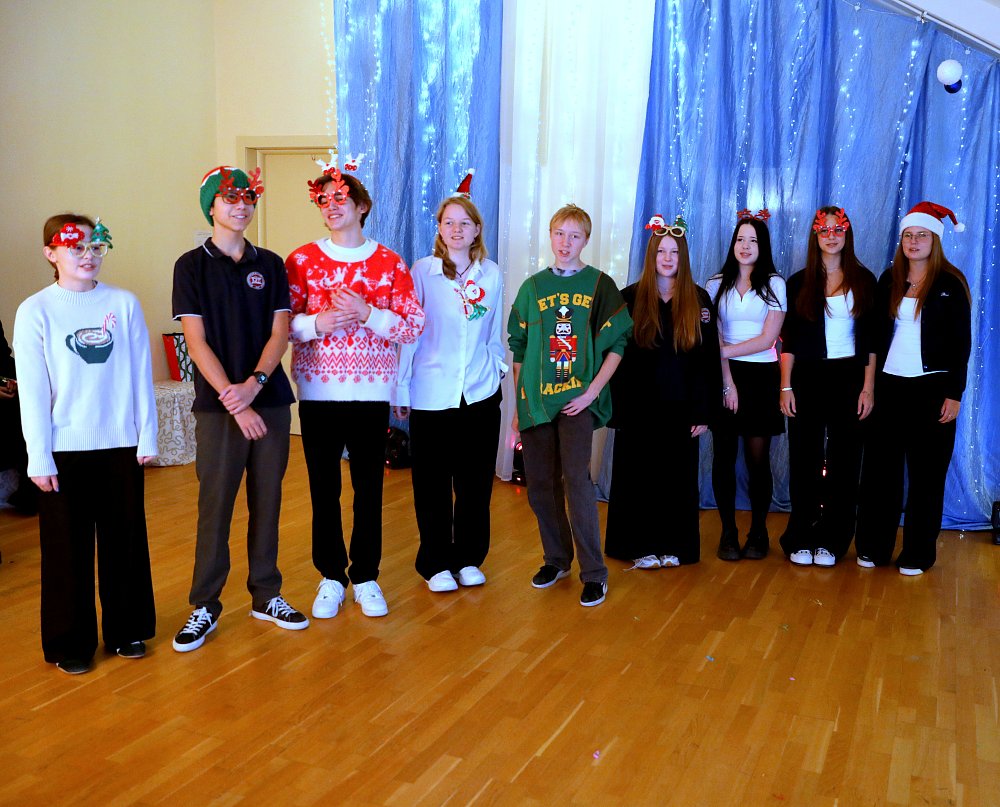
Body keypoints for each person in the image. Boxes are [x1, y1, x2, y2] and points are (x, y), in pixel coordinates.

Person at [172, 166, 307, 653]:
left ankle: (266, 594)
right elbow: (195, 341)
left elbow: (279, 333)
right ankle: (205, 604)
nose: (241, 205)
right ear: (211, 206)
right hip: (218, 409)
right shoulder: (191, 266)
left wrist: (255, 385)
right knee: (216, 505)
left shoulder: (269, 264)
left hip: (269, 401)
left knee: (267, 502)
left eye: (248, 197)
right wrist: (234, 398)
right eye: (230, 198)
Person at [13, 215, 156, 674]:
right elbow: (33, 391)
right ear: (51, 254)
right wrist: (38, 456)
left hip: (119, 444)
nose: (88, 255)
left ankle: (127, 629)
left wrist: (147, 434)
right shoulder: (35, 310)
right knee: (65, 549)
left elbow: (141, 374)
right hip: (62, 451)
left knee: (125, 542)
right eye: (76, 247)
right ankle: (69, 641)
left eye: (95, 246)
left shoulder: (124, 303)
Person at [286, 160, 424, 619]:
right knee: (323, 489)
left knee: (369, 489)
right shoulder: (302, 261)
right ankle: (330, 576)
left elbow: (413, 326)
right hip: (318, 393)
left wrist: (368, 314)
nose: (331, 206)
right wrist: (316, 323)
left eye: (340, 199)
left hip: (370, 394)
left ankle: (365, 576)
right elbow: (282, 325)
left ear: (362, 206)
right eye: (323, 199)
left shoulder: (388, 263)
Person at [508, 203, 632, 607]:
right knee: (540, 486)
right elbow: (519, 349)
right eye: (560, 233)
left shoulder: (600, 285)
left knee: (577, 484)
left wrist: (592, 393)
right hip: (536, 403)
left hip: (577, 401)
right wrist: (520, 404)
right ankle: (556, 559)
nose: (566, 242)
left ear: (586, 240)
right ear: (550, 235)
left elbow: (617, 344)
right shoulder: (532, 287)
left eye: (575, 235)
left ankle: (594, 573)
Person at [392, 180, 505, 592]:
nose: (457, 230)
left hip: (479, 392)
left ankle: (469, 558)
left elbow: (493, 331)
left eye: (465, 223)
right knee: (432, 484)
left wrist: (497, 368)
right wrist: (401, 386)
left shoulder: (491, 274)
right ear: (439, 228)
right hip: (432, 393)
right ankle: (436, 562)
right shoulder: (422, 272)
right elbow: (410, 333)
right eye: (449, 222)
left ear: (477, 230)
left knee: (475, 482)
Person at [854, 202, 971, 575]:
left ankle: (919, 553)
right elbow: (873, 338)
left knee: (926, 477)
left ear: (934, 240)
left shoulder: (951, 283)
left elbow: (961, 344)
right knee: (880, 474)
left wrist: (954, 393)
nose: (914, 241)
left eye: (922, 235)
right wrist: (869, 387)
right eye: (908, 235)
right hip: (889, 388)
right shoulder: (889, 280)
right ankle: (874, 546)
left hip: (933, 390)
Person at [606, 216, 720, 568]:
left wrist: (703, 410)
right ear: (651, 255)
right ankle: (638, 545)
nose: (668, 258)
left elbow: (707, 359)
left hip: (681, 407)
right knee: (638, 477)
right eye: (661, 251)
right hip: (638, 407)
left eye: (675, 252)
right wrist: (617, 408)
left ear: (683, 257)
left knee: (676, 479)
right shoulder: (628, 298)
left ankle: (674, 545)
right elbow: (615, 356)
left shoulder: (698, 300)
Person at [778, 207, 876, 567]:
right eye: (824, 230)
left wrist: (868, 388)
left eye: (838, 230)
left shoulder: (864, 281)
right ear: (815, 236)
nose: (831, 236)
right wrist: (785, 386)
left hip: (849, 378)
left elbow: (871, 342)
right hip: (807, 378)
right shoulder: (798, 282)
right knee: (804, 459)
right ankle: (801, 536)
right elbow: (788, 342)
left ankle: (833, 539)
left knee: (844, 462)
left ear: (847, 235)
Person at [706, 210, 786, 561]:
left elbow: (768, 339)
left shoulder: (775, 284)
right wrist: (726, 381)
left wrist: (721, 351)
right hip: (724, 375)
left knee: (757, 460)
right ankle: (727, 532)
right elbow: (714, 334)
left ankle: (758, 531)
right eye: (740, 239)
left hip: (761, 377)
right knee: (723, 457)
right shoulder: (715, 284)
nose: (745, 245)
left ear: (762, 246)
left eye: (753, 240)